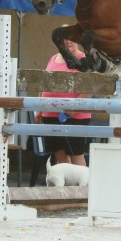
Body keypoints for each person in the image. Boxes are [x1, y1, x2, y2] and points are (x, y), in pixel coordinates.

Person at [34, 36, 92, 166]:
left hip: (74, 115)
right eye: (64, 38)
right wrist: (39, 109)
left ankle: (80, 181)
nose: (68, 41)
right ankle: (65, 180)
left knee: (76, 154)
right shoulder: (53, 58)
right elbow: (43, 84)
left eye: (72, 38)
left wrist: (73, 108)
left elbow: (91, 88)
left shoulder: (85, 59)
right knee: (60, 155)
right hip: (50, 113)